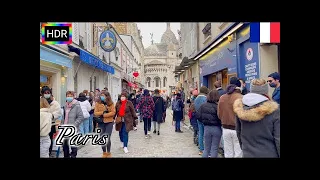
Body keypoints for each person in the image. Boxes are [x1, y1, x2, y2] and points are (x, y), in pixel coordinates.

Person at [233, 79, 280, 157]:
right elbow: (278, 138)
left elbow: (239, 133)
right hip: (269, 153)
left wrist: (244, 149)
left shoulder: (240, 108)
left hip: (248, 153)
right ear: (266, 91)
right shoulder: (274, 110)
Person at [218, 77, 243, 158]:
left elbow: (219, 114)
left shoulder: (222, 97)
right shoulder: (241, 97)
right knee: (238, 153)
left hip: (225, 128)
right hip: (237, 129)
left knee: (228, 153)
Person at [196, 90, 222, 158]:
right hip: (216, 128)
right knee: (214, 148)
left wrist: (204, 121)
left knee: (206, 149)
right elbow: (221, 117)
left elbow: (198, 116)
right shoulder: (218, 106)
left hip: (207, 128)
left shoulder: (203, 106)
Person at [61, 91, 84, 158]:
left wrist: (74, 124)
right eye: (68, 96)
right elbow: (64, 117)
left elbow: (81, 117)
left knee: (73, 146)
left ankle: (73, 156)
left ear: (73, 97)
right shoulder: (65, 106)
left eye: (70, 96)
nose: (69, 97)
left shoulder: (77, 105)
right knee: (65, 146)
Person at [40, 86, 62, 157]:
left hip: (51, 125)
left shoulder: (55, 103)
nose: (47, 94)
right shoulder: (40, 101)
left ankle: (48, 153)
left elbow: (59, 112)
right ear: (42, 94)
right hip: (41, 124)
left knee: (48, 142)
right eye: (45, 93)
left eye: (48, 92)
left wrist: (51, 116)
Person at [94, 91, 116, 158]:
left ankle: (108, 152)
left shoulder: (111, 103)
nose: (102, 97)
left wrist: (104, 115)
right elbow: (95, 113)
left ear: (107, 96)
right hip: (101, 123)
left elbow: (113, 112)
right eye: (101, 95)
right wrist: (102, 112)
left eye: (104, 95)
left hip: (109, 122)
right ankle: (104, 153)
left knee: (107, 137)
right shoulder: (98, 103)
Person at [194, 86, 209, 156]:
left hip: (198, 118)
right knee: (206, 134)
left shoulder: (196, 99)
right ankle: (206, 149)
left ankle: (201, 149)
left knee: (200, 133)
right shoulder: (205, 99)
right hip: (205, 118)